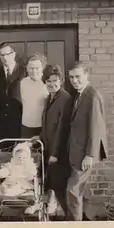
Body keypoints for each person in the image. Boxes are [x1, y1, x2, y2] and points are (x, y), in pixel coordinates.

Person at [65, 61, 108, 221]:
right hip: (76, 150)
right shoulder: (79, 94)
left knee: (73, 190)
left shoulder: (92, 96)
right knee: (82, 190)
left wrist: (90, 155)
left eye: (78, 77)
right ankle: (86, 222)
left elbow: (96, 127)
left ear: (86, 75)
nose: (74, 81)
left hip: (84, 153)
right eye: (71, 77)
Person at [37, 64, 72, 216]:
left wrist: (55, 154)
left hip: (58, 153)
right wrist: (39, 136)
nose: (52, 84)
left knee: (60, 187)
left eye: (55, 80)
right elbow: (49, 125)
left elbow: (62, 129)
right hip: (49, 148)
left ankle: (72, 219)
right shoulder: (50, 97)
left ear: (62, 80)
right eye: (48, 81)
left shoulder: (64, 98)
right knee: (54, 185)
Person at [0, 43, 26, 141]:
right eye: (2, 55)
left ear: (14, 54)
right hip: (3, 124)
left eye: (7, 54)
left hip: (21, 121)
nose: (5, 58)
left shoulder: (24, 72)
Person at [19, 53, 49, 138]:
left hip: (43, 127)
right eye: (31, 68)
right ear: (27, 68)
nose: (34, 71)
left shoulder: (48, 83)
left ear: (42, 68)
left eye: (37, 68)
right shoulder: (23, 83)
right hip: (26, 126)